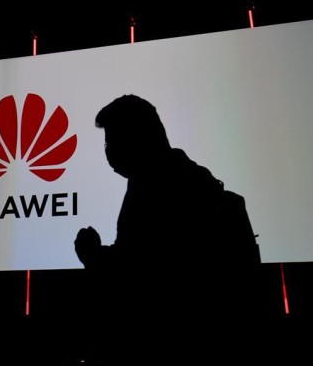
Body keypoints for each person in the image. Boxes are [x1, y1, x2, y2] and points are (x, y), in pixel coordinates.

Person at [74, 94, 263, 345]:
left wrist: (93, 255)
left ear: (139, 137)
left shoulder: (157, 187)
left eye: (113, 141)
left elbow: (142, 271)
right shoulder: (189, 177)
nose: (109, 151)